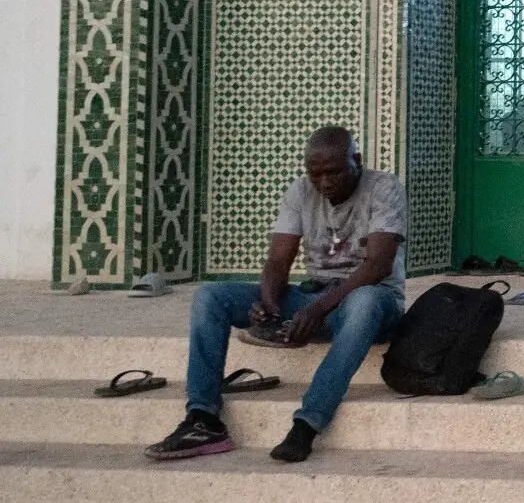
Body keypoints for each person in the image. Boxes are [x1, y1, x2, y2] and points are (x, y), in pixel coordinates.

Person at [145, 125, 408, 464]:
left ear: (356, 160)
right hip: (317, 298)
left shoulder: (384, 188)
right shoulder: (300, 192)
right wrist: (268, 305)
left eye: (335, 172)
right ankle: (203, 419)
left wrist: (317, 311)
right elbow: (278, 259)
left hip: (373, 303)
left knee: (365, 300)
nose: (325, 182)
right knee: (210, 297)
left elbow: (378, 266)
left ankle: (307, 424)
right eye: (316, 174)